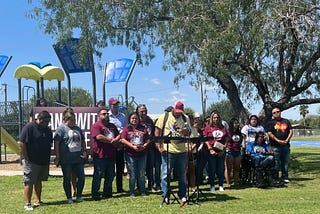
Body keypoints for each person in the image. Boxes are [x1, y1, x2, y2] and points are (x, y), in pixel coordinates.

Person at [155, 101, 191, 204]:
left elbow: (189, 132)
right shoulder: (165, 116)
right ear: (173, 109)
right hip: (168, 149)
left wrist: (186, 132)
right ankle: (165, 194)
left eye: (181, 112)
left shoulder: (185, 118)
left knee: (182, 174)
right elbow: (157, 131)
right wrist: (159, 146)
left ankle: (182, 194)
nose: (179, 113)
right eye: (177, 111)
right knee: (166, 174)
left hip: (182, 150)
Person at [18, 110, 52, 211]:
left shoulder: (47, 129)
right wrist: (26, 158)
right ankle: (27, 203)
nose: (47, 123)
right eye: (45, 121)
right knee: (29, 182)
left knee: (38, 181)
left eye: (48, 122)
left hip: (43, 160)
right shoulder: (29, 127)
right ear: (39, 119)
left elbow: (50, 143)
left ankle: (38, 201)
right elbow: (21, 142)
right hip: (31, 160)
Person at [54, 108, 86, 204]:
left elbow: (83, 140)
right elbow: (56, 143)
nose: (73, 122)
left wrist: (84, 150)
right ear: (65, 120)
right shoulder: (61, 129)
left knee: (81, 177)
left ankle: (79, 195)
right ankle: (69, 198)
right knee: (67, 178)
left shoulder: (77, 128)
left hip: (78, 158)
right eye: (71, 120)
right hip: (66, 159)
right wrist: (58, 156)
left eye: (74, 120)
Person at [90, 108, 121, 200]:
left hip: (111, 155)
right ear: (99, 116)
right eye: (104, 114)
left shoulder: (112, 126)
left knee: (110, 175)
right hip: (100, 155)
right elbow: (98, 137)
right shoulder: (96, 125)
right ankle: (95, 194)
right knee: (98, 175)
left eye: (107, 113)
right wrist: (111, 141)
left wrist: (116, 139)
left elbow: (118, 134)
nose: (106, 115)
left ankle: (107, 193)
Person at [120, 112, 150, 196]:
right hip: (130, 155)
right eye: (132, 118)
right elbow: (122, 139)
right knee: (132, 173)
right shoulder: (127, 129)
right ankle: (132, 191)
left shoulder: (143, 128)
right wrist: (132, 146)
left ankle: (142, 191)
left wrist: (144, 146)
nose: (134, 120)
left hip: (142, 154)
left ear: (138, 119)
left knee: (141, 173)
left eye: (136, 118)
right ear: (129, 120)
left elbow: (148, 139)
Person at [136, 104, 160, 192]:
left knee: (150, 167)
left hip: (150, 147)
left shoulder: (150, 121)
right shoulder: (137, 121)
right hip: (140, 147)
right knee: (140, 168)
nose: (144, 112)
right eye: (142, 111)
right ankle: (139, 186)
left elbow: (153, 133)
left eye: (145, 110)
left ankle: (151, 185)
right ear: (138, 112)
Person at [204, 111, 230, 192]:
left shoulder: (223, 128)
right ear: (212, 118)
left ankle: (221, 185)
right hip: (211, 151)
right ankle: (212, 185)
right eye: (214, 117)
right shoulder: (208, 127)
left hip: (221, 151)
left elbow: (227, 138)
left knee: (220, 169)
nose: (216, 119)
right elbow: (205, 139)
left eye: (217, 117)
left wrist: (224, 148)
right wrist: (210, 149)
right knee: (212, 169)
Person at [267, 107, 293, 183]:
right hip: (275, 146)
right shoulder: (270, 122)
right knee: (276, 162)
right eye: (274, 113)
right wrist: (278, 140)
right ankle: (275, 177)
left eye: (278, 111)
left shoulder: (286, 121)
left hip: (286, 145)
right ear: (272, 114)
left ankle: (285, 177)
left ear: (280, 112)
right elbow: (269, 133)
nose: (276, 113)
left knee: (285, 162)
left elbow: (291, 131)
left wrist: (287, 140)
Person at [108, 97, 127, 193]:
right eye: (114, 105)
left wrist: (119, 140)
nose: (116, 106)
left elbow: (124, 130)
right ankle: (109, 188)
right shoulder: (107, 116)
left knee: (120, 167)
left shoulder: (122, 116)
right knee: (110, 168)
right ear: (110, 106)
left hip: (120, 143)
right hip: (110, 144)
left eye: (117, 105)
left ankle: (119, 188)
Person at [225, 118, 243, 188]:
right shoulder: (228, 132)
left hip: (238, 151)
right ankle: (228, 183)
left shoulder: (239, 132)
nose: (236, 124)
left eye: (237, 123)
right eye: (235, 123)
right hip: (230, 150)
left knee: (237, 168)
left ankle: (236, 182)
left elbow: (240, 140)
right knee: (228, 168)